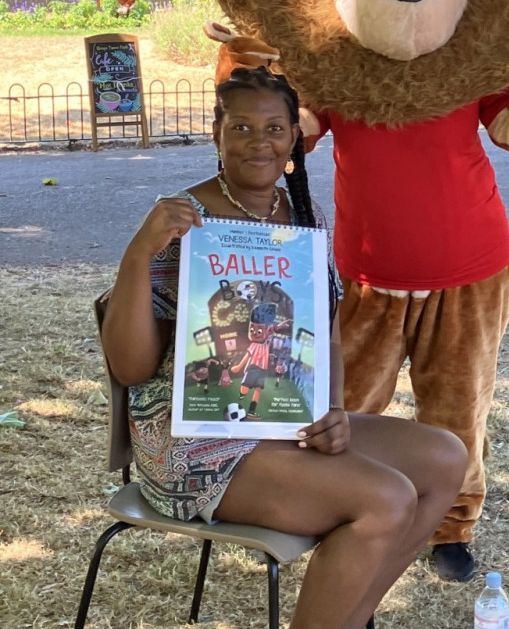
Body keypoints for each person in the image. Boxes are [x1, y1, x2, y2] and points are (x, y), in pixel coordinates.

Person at [101, 66, 467, 629]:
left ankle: (345, 618)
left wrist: (335, 409)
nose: (259, 142)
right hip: (196, 446)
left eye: (274, 128)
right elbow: (131, 367)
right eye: (241, 128)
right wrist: (138, 254)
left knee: (445, 459)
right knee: (385, 498)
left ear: (295, 138)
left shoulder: (303, 220)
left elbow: (325, 333)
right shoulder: (180, 220)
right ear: (216, 133)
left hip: (282, 423)